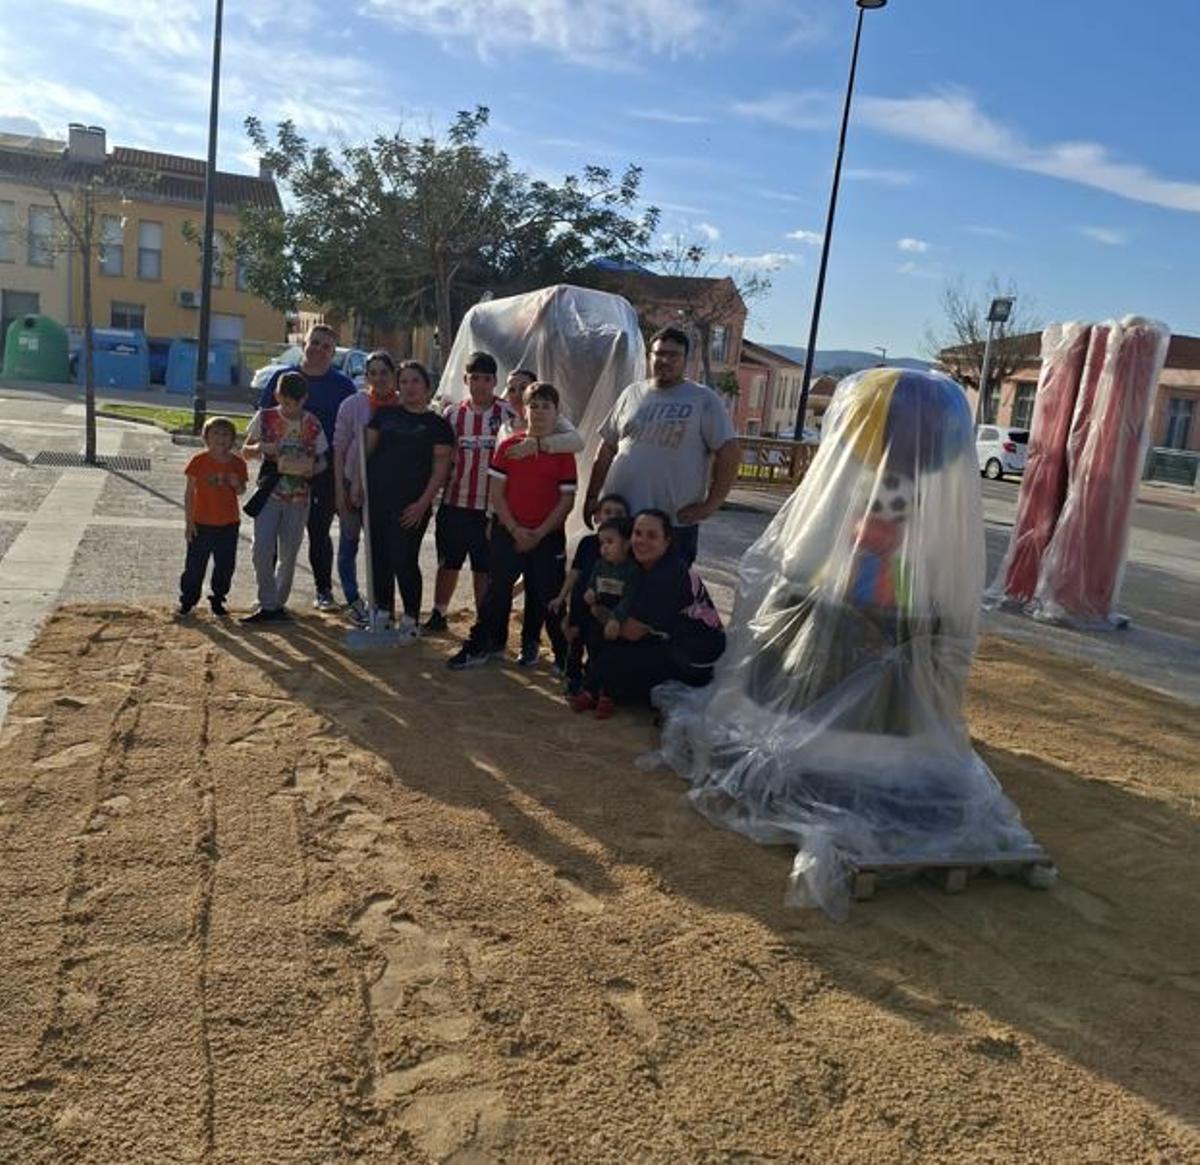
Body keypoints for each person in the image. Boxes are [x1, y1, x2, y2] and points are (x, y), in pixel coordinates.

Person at [582, 326, 740, 566]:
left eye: (674, 355)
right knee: (612, 591)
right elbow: (606, 449)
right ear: (650, 357)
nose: (665, 360)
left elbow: (729, 453)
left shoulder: (703, 399)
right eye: (659, 353)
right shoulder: (632, 394)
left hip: (672, 524)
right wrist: (593, 496)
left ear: (685, 360)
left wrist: (711, 504)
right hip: (622, 519)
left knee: (663, 596)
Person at [447, 381, 576, 670]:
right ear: (524, 411)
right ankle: (481, 645)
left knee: (549, 594)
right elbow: (496, 494)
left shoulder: (563, 453)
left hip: (548, 537)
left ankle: (563, 655)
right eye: (534, 405)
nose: (539, 411)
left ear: (557, 412)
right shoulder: (507, 446)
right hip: (510, 532)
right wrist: (516, 530)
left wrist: (539, 533)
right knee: (496, 592)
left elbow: (566, 501)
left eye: (546, 406)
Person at [572, 508, 725, 717]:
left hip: (695, 657)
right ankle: (603, 687)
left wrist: (596, 609)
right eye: (637, 533)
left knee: (613, 659)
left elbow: (630, 631)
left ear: (667, 540)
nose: (641, 541)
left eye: (652, 535)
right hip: (666, 638)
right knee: (606, 648)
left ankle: (611, 689)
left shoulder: (668, 575)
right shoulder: (642, 565)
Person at [256, 324, 355, 611]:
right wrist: (270, 452)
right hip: (278, 472)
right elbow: (264, 420)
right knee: (271, 533)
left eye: (327, 347)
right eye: (315, 343)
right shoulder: (282, 377)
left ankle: (324, 590)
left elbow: (349, 430)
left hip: (321, 471)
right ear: (304, 342)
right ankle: (268, 595)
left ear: (333, 353)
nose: (320, 350)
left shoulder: (343, 385)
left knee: (318, 530)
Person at [363, 360, 454, 634]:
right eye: (403, 382)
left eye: (415, 381)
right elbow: (365, 456)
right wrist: (357, 486)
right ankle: (382, 612)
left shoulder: (438, 425)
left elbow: (440, 470)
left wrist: (423, 504)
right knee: (379, 556)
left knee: (403, 558)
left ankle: (411, 617)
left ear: (427, 386)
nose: (409, 387)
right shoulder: (384, 416)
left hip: (413, 504)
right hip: (378, 500)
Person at [241, 372, 329, 625]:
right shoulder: (265, 417)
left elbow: (323, 458)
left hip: (299, 495)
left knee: (289, 553)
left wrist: (315, 468)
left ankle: (276, 603)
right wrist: (261, 449)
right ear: (278, 395)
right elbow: (245, 450)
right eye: (286, 402)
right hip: (269, 491)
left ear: (305, 400)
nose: (290, 408)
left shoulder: (312, 423)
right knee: (261, 548)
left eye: (296, 403)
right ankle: (268, 602)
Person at [333, 350, 402, 627]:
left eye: (383, 372)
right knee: (349, 543)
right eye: (372, 373)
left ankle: (383, 606)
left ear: (393, 374)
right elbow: (339, 448)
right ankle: (354, 601)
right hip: (352, 483)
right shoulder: (353, 404)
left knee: (383, 550)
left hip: (386, 490)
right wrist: (340, 489)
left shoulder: (402, 405)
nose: (378, 378)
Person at [549, 493, 630, 695]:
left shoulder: (628, 549)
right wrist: (561, 596)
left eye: (619, 513)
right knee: (575, 639)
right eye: (607, 511)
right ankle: (572, 678)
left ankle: (594, 683)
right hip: (580, 600)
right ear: (596, 517)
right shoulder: (587, 543)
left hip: (605, 604)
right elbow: (575, 572)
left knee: (597, 643)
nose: (612, 516)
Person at [178, 416, 247, 618]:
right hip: (201, 522)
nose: (221, 438)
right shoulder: (198, 461)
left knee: (225, 565)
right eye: (215, 433)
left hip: (228, 523)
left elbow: (242, 491)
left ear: (233, 439)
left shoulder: (238, 463)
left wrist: (236, 484)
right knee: (194, 566)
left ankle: (218, 598)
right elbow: (189, 492)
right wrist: (189, 522)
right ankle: (187, 601)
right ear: (206, 437)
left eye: (226, 434)